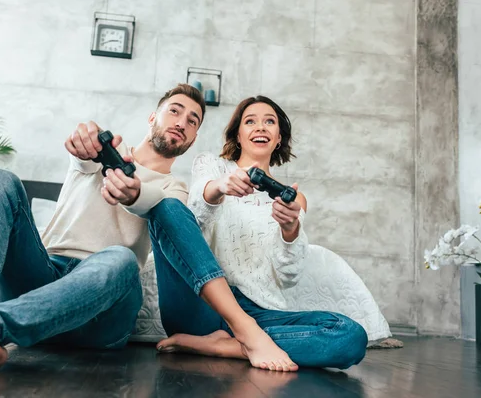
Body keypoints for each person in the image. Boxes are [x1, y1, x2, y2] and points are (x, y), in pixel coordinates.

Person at [0, 84, 206, 382]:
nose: (181, 122)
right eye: (175, 111)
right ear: (153, 117)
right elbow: (84, 157)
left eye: (193, 121)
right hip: (43, 277)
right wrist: (83, 141)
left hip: (103, 311)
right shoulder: (107, 149)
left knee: (122, 259)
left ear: (193, 138)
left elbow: (156, 207)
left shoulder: (175, 190)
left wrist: (133, 195)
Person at [147, 96, 369, 370]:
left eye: (269, 122)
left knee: (349, 336)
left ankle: (227, 345)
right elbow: (193, 222)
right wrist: (219, 188)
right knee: (167, 206)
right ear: (238, 135)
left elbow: (289, 276)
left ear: (278, 138)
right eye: (250, 121)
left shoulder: (293, 199)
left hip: (258, 312)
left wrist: (290, 230)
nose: (260, 127)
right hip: (202, 305)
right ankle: (245, 335)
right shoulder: (212, 167)